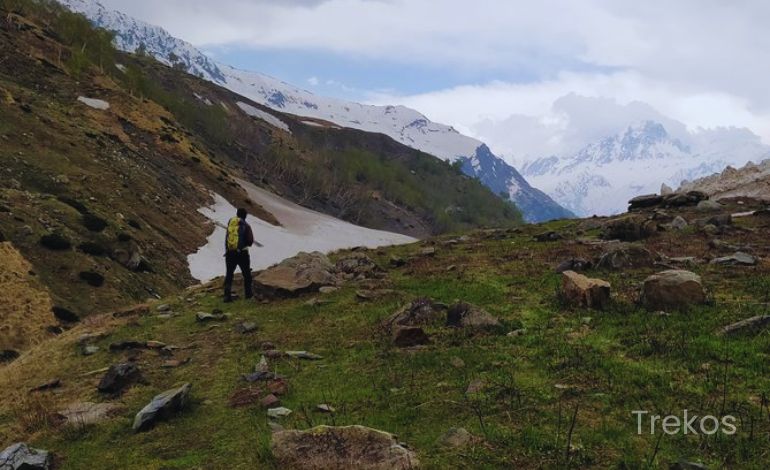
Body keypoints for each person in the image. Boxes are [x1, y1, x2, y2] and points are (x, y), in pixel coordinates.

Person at [223, 208, 255, 302]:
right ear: (245, 215)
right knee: (246, 274)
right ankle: (248, 294)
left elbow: (227, 239)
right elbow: (250, 241)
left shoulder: (231, 224)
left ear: (237, 214)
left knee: (229, 274)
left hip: (230, 253)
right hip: (242, 253)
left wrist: (228, 250)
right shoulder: (246, 225)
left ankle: (227, 296)